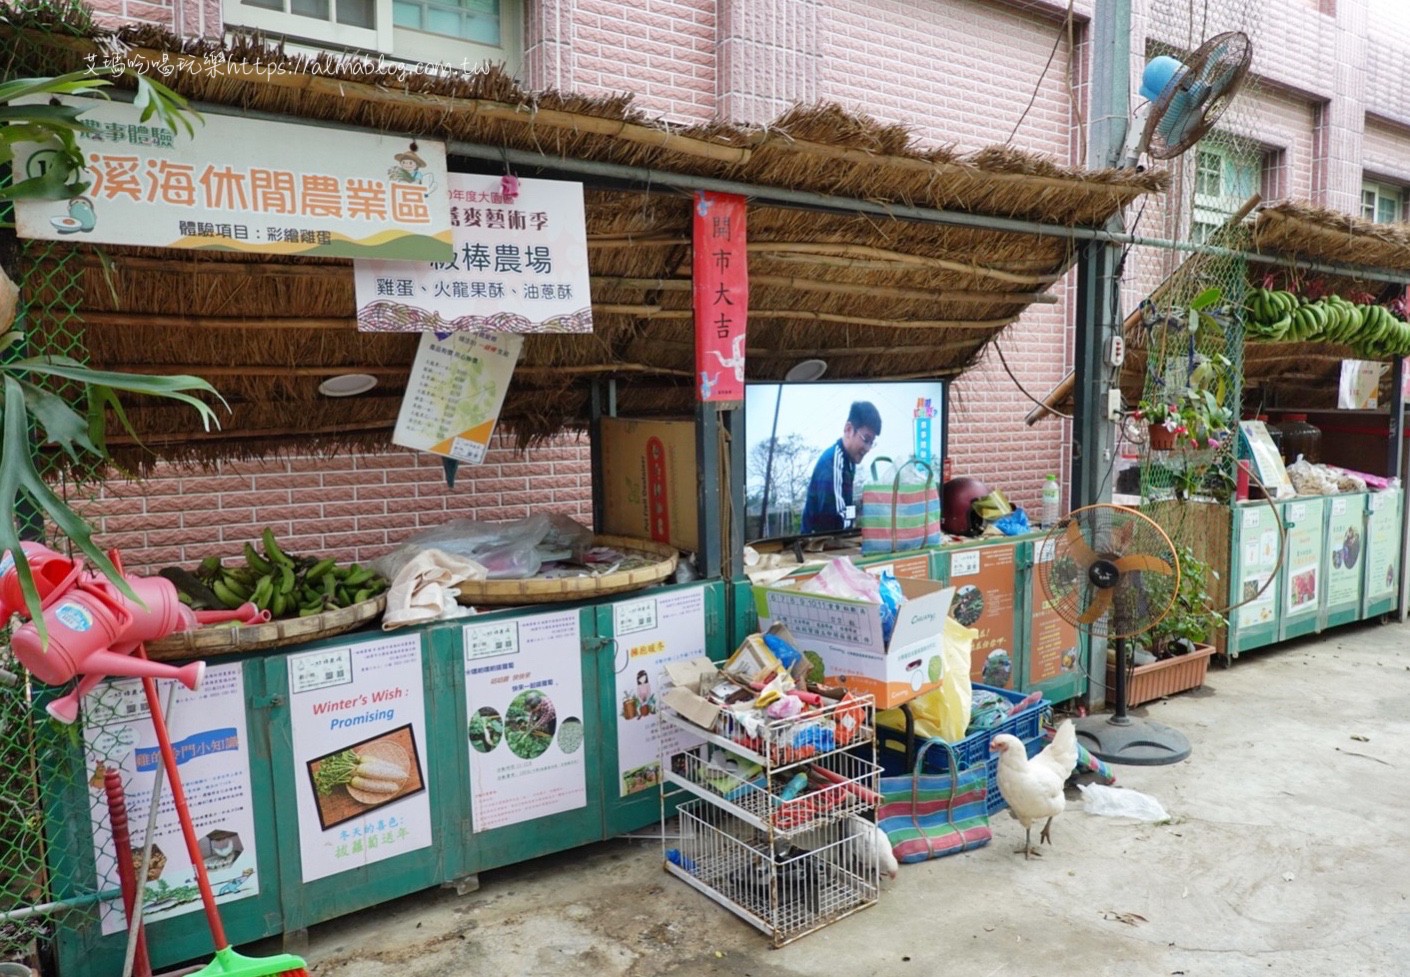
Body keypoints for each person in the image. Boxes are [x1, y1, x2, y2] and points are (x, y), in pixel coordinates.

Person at [800, 401, 881, 534]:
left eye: (871, 443)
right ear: (849, 430)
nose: (868, 448)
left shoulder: (849, 462)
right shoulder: (832, 463)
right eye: (866, 440)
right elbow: (834, 520)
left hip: (833, 543)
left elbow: (845, 508)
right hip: (816, 546)